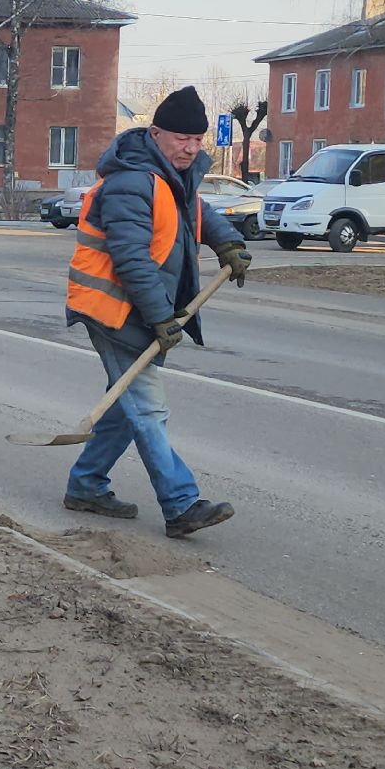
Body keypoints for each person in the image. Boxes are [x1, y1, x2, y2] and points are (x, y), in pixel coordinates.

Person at [62, 86, 253, 539]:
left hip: (141, 309)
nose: (190, 147)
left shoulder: (169, 176)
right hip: (112, 308)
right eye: (181, 138)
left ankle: (86, 484)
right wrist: (159, 316)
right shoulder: (131, 180)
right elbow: (131, 258)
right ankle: (181, 503)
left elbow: (194, 209)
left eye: (197, 140)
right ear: (156, 133)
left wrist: (226, 241)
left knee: (126, 405)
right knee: (147, 408)